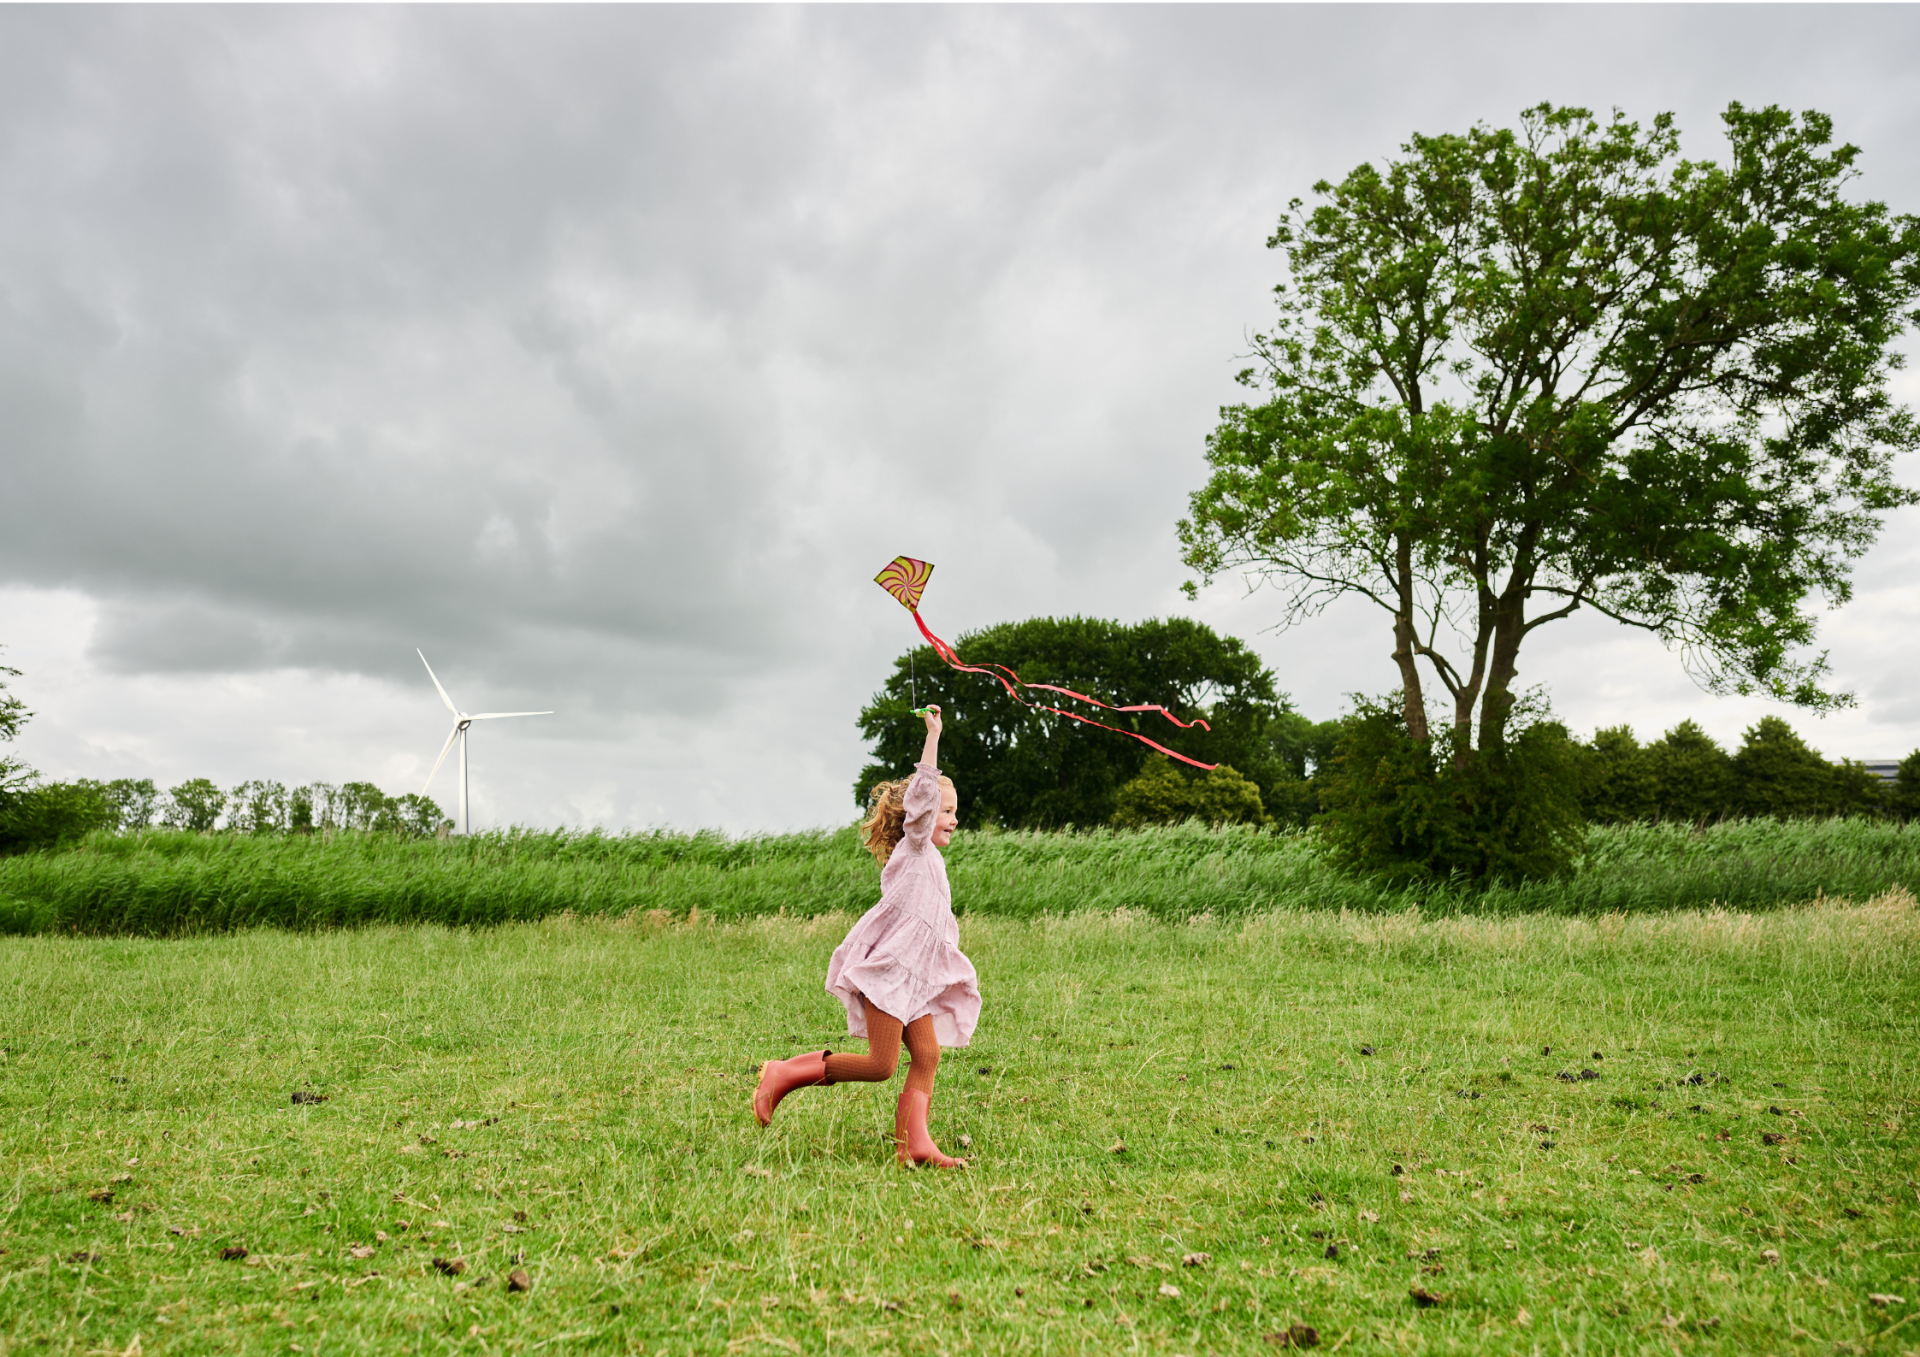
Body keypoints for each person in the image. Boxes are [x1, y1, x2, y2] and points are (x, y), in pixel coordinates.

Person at [752, 705, 979, 1168]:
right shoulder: (914, 847)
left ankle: (914, 1144)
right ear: (923, 813)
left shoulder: (932, 860)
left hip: (915, 980)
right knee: (881, 1065)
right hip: (888, 974)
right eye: (947, 811)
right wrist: (932, 738)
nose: (954, 819)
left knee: (928, 1055)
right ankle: (783, 1074)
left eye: (955, 811)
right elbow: (921, 798)